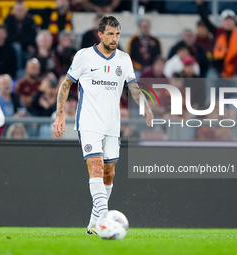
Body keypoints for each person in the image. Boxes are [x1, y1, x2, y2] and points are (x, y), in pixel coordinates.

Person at [52, 16, 153, 234]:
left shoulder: (124, 59)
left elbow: (133, 87)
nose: (115, 38)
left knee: (109, 173)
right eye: (110, 34)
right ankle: (106, 220)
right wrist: (60, 115)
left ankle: (93, 223)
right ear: (100, 34)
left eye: (117, 34)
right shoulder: (84, 56)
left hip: (111, 124)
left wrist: (145, 106)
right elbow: (66, 84)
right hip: (88, 122)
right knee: (95, 167)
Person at [196, 0, 237, 79]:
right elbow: (205, 20)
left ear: (234, 22)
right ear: (222, 22)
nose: (228, 22)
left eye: (230, 20)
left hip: (232, 72)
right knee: (211, 88)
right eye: (226, 20)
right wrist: (200, 5)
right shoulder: (217, 33)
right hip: (216, 70)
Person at [4, 2, 37, 71]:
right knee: (17, 46)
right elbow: (9, 37)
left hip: (27, 47)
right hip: (11, 46)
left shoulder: (30, 20)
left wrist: (28, 44)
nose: (20, 12)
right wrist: (23, 41)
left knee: (31, 52)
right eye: (18, 10)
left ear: (25, 11)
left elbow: (32, 36)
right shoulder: (8, 20)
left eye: (22, 10)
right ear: (14, 10)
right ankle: (19, 70)